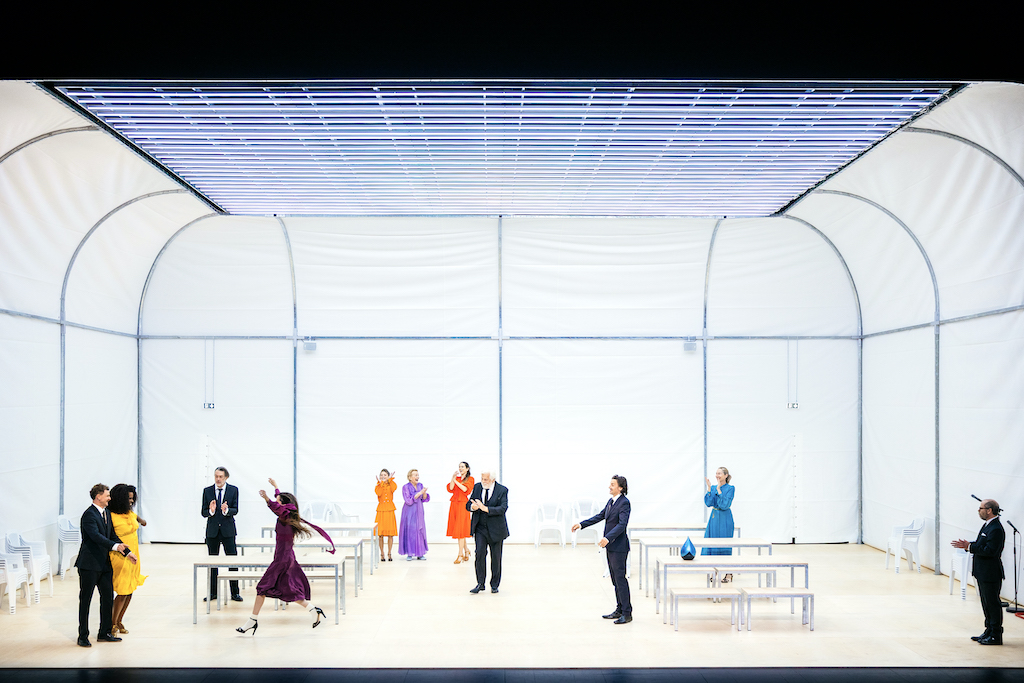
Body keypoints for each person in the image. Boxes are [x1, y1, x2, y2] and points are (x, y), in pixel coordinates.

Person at [236, 478, 334, 635]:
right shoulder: (288, 513)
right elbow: (279, 503)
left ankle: (252, 621)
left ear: (283, 504)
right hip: (286, 557)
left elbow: (276, 508)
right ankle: (313, 610)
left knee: (261, 588)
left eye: (278, 500)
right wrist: (276, 487)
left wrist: (267, 499)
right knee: (288, 590)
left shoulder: (285, 515)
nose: (276, 501)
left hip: (282, 560)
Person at [76, 483, 137, 647]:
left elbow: (112, 535)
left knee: (107, 599)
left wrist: (127, 552)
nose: (110, 498)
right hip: (89, 565)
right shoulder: (89, 515)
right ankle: (83, 635)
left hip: (104, 564)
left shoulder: (106, 513)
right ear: (98, 497)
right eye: (107, 495)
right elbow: (96, 537)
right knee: (86, 600)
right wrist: (115, 546)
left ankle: (105, 632)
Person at [572, 475, 631, 623]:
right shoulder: (611, 502)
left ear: (620, 488)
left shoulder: (624, 503)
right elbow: (600, 516)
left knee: (620, 579)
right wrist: (581, 524)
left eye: (612, 484)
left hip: (619, 547)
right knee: (615, 580)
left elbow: (622, 524)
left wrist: (608, 537)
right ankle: (619, 609)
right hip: (611, 546)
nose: (609, 487)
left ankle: (627, 613)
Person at [952, 498, 1006, 645]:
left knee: (992, 603)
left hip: (990, 573)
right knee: (986, 603)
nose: (978, 510)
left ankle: (995, 634)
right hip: (982, 572)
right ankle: (988, 630)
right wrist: (968, 545)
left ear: (989, 510)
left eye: (981, 508)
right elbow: (982, 544)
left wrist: (970, 547)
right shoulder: (987, 525)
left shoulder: (996, 529)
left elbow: (990, 551)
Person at [108, 484, 148, 635]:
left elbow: (137, 519)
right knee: (123, 590)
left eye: (132, 499)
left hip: (133, 556)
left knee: (130, 590)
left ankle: (119, 620)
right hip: (120, 556)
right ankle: (112, 623)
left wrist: (142, 520)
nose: (131, 501)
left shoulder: (128, 512)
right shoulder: (110, 515)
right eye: (128, 499)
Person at [466, 467, 509, 594]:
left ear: (493, 480)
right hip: (480, 528)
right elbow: (468, 504)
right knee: (479, 554)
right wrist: (473, 507)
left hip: (496, 529)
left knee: (496, 558)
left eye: (486, 479)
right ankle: (480, 583)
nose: (483, 481)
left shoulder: (502, 490)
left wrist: (486, 509)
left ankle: (494, 584)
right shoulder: (477, 487)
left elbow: (503, 508)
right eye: (482, 479)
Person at [201, 467, 241, 602]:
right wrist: (211, 511)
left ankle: (235, 593)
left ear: (226, 478)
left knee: (232, 562)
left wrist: (227, 510)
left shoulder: (233, 490)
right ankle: (213, 593)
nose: (218, 479)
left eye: (220, 477)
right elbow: (203, 512)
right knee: (212, 563)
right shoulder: (207, 491)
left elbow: (235, 509)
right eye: (216, 476)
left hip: (228, 531)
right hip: (212, 532)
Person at [702, 466, 735, 582]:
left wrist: (719, 491)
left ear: (726, 475)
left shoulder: (730, 488)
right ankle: (714, 571)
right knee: (713, 544)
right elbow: (709, 503)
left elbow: (725, 504)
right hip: (714, 518)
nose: (717, 476)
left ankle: (728, 573)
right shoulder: (714, 487)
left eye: (719, 473)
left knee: (725, 545)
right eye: (716, 473)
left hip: (725, 519)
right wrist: (709, 488)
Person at [446, 461, 475, 564]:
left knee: (461, 529)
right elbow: (451, 488)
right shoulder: (457, 478)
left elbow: (465, 489)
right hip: (454, 504)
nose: (460, 468)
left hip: (463, 505)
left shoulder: (470, 479)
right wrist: (453, 478)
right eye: (459, 467)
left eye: (462, 466)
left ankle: (460, 554)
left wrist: (455, 481)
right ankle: (466, 550)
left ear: (467, 468)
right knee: (459, 530)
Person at [399, 469, 430, 560]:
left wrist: (424, 493)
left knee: (420, 530)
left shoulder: (420, 485)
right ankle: (409, 553)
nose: (417, 477)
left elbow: (424, 499)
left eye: (418, 475)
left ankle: (420, 553)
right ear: (410, 477)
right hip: (409, 512)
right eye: (415, 475)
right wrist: (419, 493)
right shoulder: (405, 487)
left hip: (419, 510)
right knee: (410, 531)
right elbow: (408, 501)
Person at [375, 469, 398, 562]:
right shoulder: (378, 486)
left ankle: (389, 553)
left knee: (390, 535)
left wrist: (390, 480)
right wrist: (381, 483)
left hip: (389, 510)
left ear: (388, 476)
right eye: (381, 475)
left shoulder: (391, 484)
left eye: (385, 475)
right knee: (380, 535)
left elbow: (394, 488)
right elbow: (379, 493)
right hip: (381, 510)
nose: (383, 476)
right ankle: (382, 553)